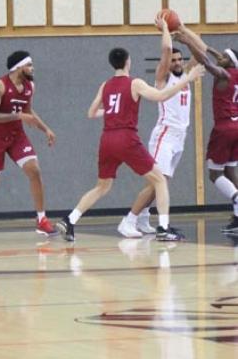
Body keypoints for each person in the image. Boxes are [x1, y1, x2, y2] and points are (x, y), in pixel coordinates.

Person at [56, 47, 204, 242]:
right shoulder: (135, 83)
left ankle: (70, 219)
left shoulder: (106, 85)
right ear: (128, 61)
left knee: (101, 187)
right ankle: (163, 227)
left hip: (107, 139)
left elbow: (91, 113)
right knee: (160, 180)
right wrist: (188, 78)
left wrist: (112, 113)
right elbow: (160, 96)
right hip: (126, 138)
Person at [117, 14, 196, 238]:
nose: (178, 62)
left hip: (180, 136)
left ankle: (143, 218)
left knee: (160, 183)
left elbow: (200, 49)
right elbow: (166, 52)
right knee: (156, 183)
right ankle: (129, 220)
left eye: (180, 59)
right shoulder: (163, 78)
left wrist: (184, 30)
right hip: (165, 134)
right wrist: (165, 30)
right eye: (174, 60)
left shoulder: (186, 75)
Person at [0, 50, 58, 239]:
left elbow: (29, 111)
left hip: (17, 136)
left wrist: (46, 129)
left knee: (35, 170)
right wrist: (19, 116)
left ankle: (41, 220)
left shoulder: (30, 86)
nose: (33, 68)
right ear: (18, 67)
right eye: (29, 65)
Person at [172, 26, 238, 232]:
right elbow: (218, 56)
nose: (221, 58)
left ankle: (237, 199)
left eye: (224, 58)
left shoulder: (223, 75)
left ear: (230, 63)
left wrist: (188, 43)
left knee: (214, 174)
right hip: (236, 126)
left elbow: (207, 62)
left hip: (224, 128)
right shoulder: (234, 72)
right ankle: (237, 219)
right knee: (230, 170)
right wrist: (207, 47)